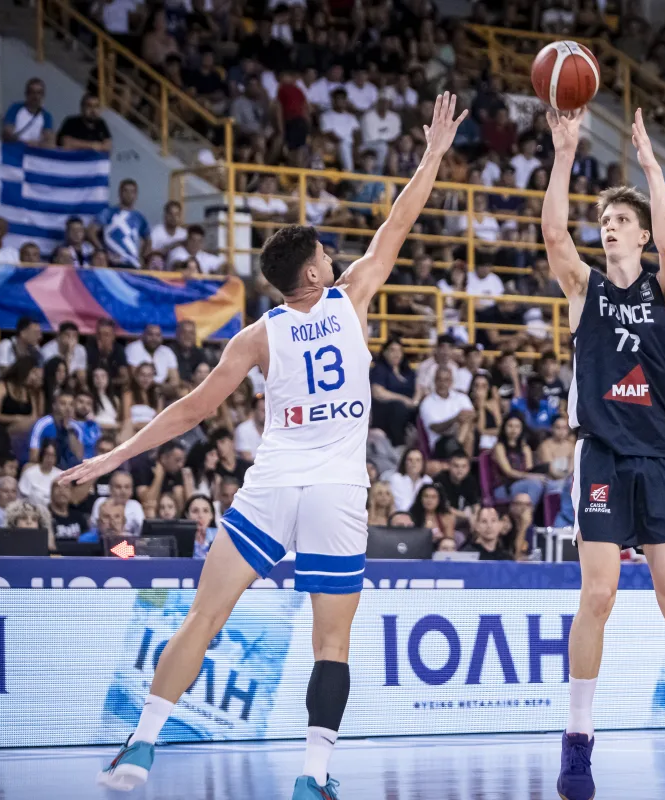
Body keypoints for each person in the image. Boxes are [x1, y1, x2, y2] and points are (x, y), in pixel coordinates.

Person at [60, 94, 468, 800]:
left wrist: (113, 456)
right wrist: (432, 152)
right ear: (312, 275)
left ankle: (144, 742)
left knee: (204, 616)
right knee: (331, 644)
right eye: (325, 253)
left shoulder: (257, 337)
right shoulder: (350, 298)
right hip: (337, 492)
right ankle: (313, 776)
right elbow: (399, 221)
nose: (334, 257)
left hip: (273, 486)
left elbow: (192, 410)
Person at [543, 106, 665, 800]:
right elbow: (554, 234)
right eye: (604, 220)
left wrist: (649, 167)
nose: (608, 227)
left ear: (640, 234)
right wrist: (564, 152)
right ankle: (578, 738)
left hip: (659, 459)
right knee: (600, 593)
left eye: (620, 220)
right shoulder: (583, 289)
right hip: (604, 455)